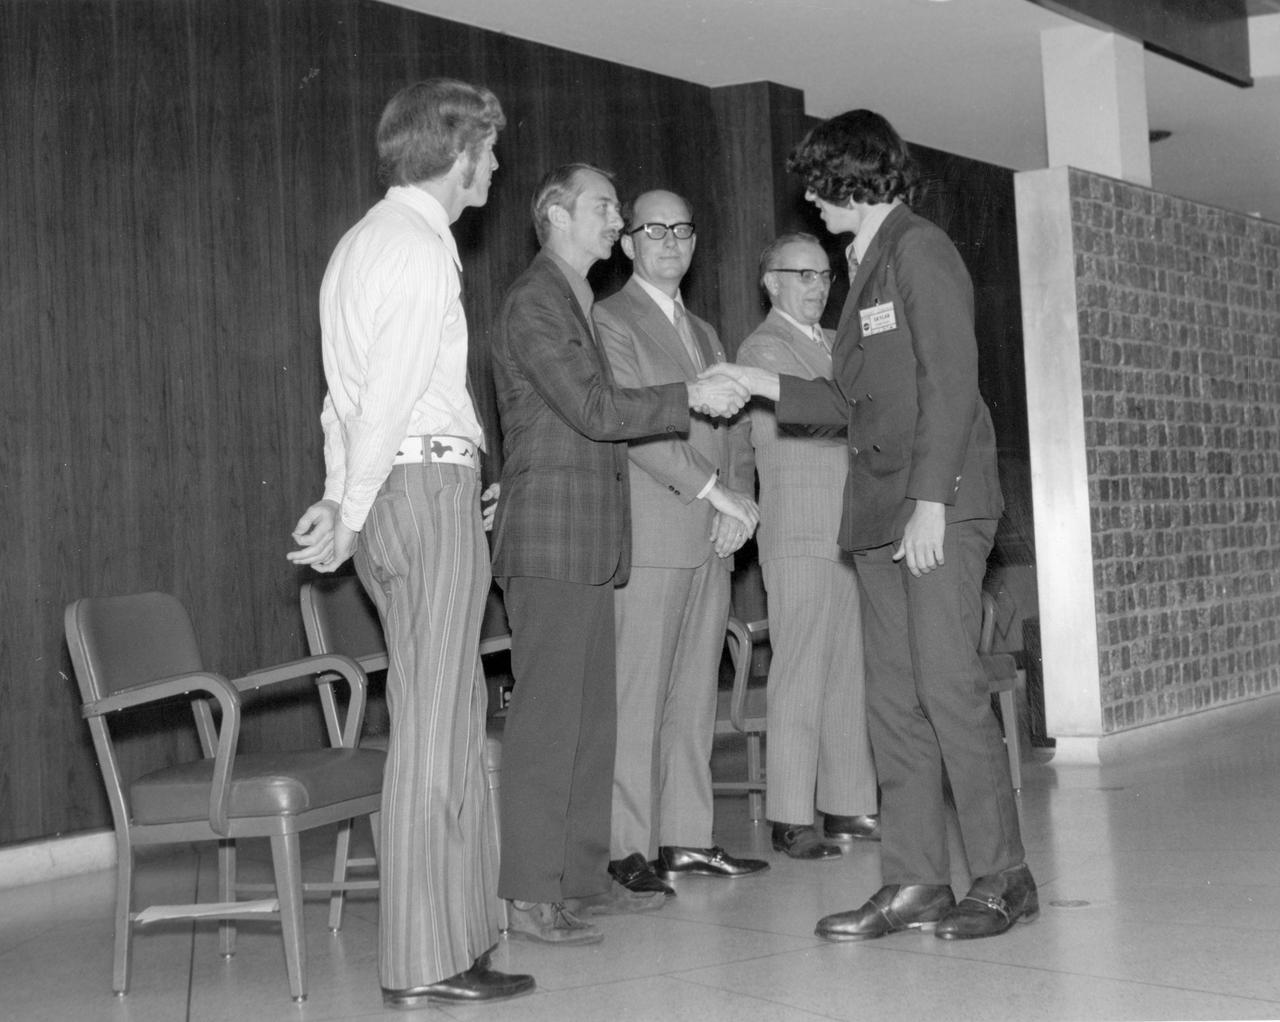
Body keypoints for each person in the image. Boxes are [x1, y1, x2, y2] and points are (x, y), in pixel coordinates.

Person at [713, 109, 1035, 941]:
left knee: (947, 689)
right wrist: (761, 382)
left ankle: (1005, 875)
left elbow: (952, 383)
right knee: (891, 701)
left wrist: (932, 500)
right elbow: (858, 402)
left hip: (937, 506)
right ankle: (916, 880)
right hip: (881, 513)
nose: (811, 197)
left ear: (859, 176)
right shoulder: (866, 265)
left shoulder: (918, 250)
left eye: (820, 179)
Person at [286, 79, 533, 1008]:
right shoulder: (419, 249)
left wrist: (341, 499)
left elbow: (338, 399)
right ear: (457, 151)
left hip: (407, 484)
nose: (496, 167)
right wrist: (350, 510)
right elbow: (385, 396)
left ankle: (456, 943)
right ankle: (426, 961)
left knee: (450, 710)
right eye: (490, 151)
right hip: (419, 484)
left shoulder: (361, 244)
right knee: (438, 726)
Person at [489, 164, 749, 945]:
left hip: (590, 539)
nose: (616, 220)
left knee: (589, 724)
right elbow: (595, 410)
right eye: (604, 207)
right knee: (547, 727)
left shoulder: (567, 296)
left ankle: (580, 879)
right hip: (552, 535)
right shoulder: (537, 299)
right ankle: (531, 895)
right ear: (557, 215)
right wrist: (688, 398)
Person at [593, 190, 766, 896]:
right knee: (640, 697)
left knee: (696, 694)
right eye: (654, 229)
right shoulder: (609, 319)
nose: (670, 241)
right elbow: (636, 427)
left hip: (712, 533)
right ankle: (629, 847)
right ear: (628, 242)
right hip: (657, 528)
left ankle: (687, 838)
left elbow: (736, 430)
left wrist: (741, 503)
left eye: (683, 229)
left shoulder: (706, 331)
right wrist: (711, 491)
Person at [736, 232, 878, 861]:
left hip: (846, 525)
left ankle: (847, 803)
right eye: (803, 276)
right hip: (799, 527)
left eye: (825, 276)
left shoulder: (828, 342)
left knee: (848, 671)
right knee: (800, 670)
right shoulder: (765, 346)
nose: (818, 287)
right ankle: (791, 815)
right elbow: (819, 413)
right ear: (772, 282)